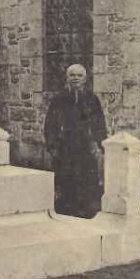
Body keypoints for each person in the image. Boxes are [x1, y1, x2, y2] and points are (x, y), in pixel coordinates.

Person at [44, 63, 107, 218]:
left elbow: (99, 123)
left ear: (85, 79)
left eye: (79, 76)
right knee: (66, 181)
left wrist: (99, 144)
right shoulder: (59, 100)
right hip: (65, 147)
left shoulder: (92, 100)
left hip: (85, 148)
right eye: (72, 75)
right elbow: (50, 124)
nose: (75, 79)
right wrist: (53, 146)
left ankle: (85, 212)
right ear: (67, 78)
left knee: (87, 182)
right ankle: (66, 212)